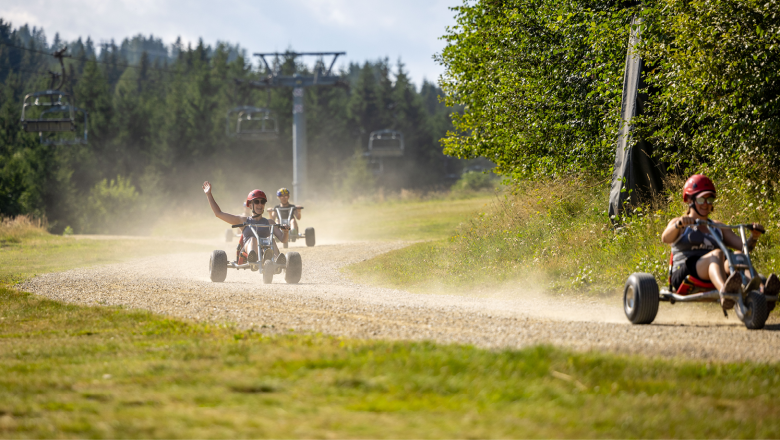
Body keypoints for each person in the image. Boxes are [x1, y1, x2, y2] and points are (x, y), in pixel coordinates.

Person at [661, 174, 779, 308]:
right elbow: (665, 238)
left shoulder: (718, 226)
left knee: (738, 255)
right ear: (689, 199)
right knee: (717, 254)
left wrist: (754, 236)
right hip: (685, 273)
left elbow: (744, 247)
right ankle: (725, 293)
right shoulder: (679, 222)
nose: (706, 204)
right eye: (701, 200)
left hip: (716, 270)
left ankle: (762, 291)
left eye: (709, 199)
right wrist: (679, 224)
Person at [203, 181, 288, 266]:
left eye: (262, 202)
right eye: (256, 202)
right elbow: (218, 213)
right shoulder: (243, 220)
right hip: (247, 252)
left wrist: (286, 231)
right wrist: (209, 195)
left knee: (271, 240)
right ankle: (254, 259)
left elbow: (283, 239)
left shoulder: (270, 222)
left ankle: (276, 261)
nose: (260, 204)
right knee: (253, 239)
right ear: (250, 205)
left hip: (265, 251)